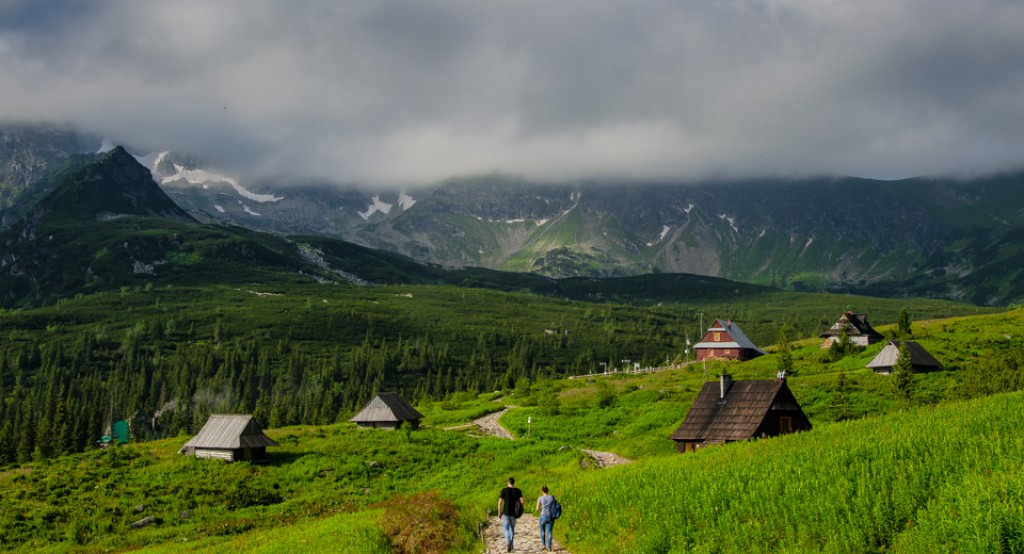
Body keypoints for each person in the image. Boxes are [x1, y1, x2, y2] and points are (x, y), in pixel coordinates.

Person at [497, 476, 524, 552]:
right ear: (513, 482)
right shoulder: (518, 491)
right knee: (512, 529)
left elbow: (500, 502)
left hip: (505, 512)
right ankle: (511, 546)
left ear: (508, 482)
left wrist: (499, 512)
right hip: (513, 514)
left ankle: (508, 540)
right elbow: (522, 502)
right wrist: (519, 509)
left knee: (505, 528)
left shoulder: (504, 490)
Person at [535, 485, 555, 552]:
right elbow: (554, 506)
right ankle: (549, 547)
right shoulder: (552, 498)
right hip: (550, 516)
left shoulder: (540, 498)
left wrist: (541, 509)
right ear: (547, 490)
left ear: (542, 491)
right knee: (549, 532)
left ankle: (543, 545)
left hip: (543, 515)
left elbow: (537, 508)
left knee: (542, 531)